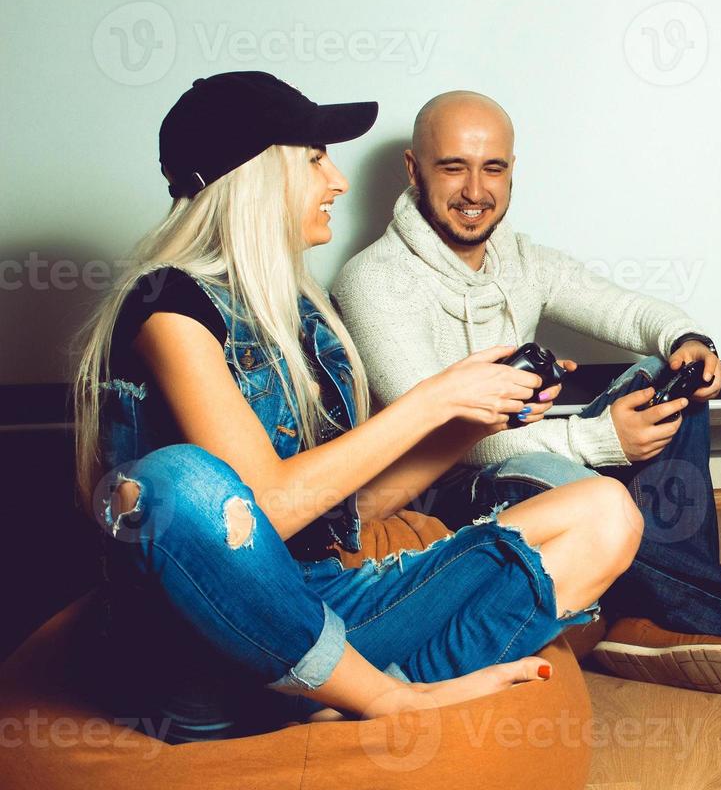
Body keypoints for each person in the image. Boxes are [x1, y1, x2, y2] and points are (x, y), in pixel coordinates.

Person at [72, 72, 641, 742]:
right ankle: (384, 699)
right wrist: (435, 399)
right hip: (203, 645)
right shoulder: (165, 308)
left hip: (320, 608)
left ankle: (355, 697)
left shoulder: (299, 312)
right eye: (315, 159)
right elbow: (263, 504)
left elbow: (348, 512)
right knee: (180, 483)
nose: (337, 181)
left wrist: (472, 419)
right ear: (255, 176)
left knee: (605, 512)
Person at [333, 91, 721, 705]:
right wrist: (596, 440)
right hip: (441, 487)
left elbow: (623, 308)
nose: (475, 191)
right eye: (453, 167)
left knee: (664, 374)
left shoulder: (518, 257)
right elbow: (441, 441)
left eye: (494, 168)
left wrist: (686, 340)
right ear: (413, 170)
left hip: (518, 452)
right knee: (542, 475)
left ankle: (644, 621)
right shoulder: (373, 281)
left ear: (513, 171)